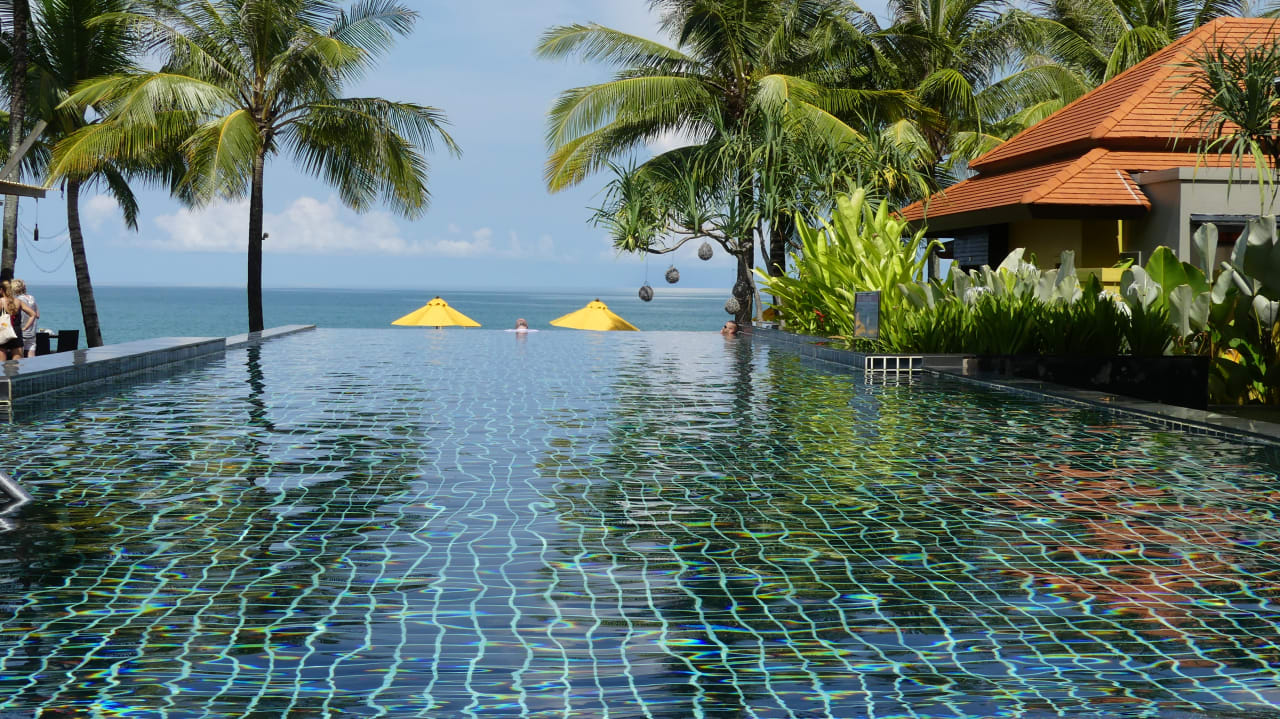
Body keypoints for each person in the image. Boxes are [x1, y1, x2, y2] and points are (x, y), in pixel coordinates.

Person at [0, 280, 36, 361]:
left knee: (1, 361)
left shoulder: (1, 301)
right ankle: (14, 373)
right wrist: (25, 327)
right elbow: (33, 314)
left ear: (2, 290)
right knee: (17, 360)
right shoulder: (18, 301)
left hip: (3, 331)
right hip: (16, 331)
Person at [11, 279, 37, 358]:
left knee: (18, 356)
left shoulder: (17, 300)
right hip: (32, 331)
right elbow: (37, 315)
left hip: (21, 330)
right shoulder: (32, 298)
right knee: (31, 356)